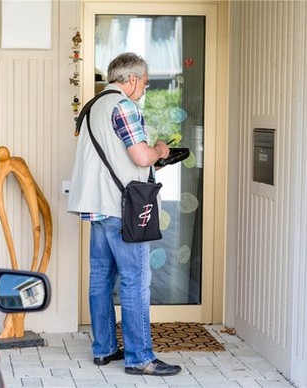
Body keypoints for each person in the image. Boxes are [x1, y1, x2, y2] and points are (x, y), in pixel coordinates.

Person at [67, 52, 182, 376]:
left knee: (100, 279)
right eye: (144, 82)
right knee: (135, 280)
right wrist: (160, 149)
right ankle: (140, 357)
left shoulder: (93, 106)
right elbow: (141, 155)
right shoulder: (124, 106)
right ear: (130, 79)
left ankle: (103, 349)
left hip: (97, 206)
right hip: (122, 207)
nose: (144, 89)